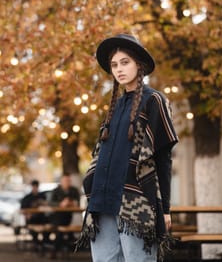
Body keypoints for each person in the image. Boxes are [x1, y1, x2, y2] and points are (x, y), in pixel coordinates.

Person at [76, 33, 179, 262]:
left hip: (136, 201)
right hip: (102, 200)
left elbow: (163, 158)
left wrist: (165, 208)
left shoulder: (154, 101)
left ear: (138, 64)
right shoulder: (114, 107)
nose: (119, 69)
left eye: (125, 62)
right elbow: (100, 155)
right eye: (114, 65)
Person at [49, 173, 80, 256]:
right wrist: (61, 204)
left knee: (60, 230)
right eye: (65, 180)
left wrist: (70, 203)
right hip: (57, 216)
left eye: (68, 180)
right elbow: (50, 203)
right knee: (60, 230)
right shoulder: (56, 191)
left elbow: (78, 203)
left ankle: (55, 250)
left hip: (67, 217)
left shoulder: (74, 190)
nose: (67, 182)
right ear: (61, 181)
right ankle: (59, 248)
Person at [21, 179, 48, 245]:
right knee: (33, 229)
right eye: (34, 186)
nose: (35, 188)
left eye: (36, 186)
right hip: (32, 219)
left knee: (48, 228)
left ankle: (44, 243)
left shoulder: (42, 196)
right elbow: (22, 209)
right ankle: (37, 244)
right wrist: (27, 214)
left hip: (41, 218)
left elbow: (47, 205)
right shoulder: (27, 197)